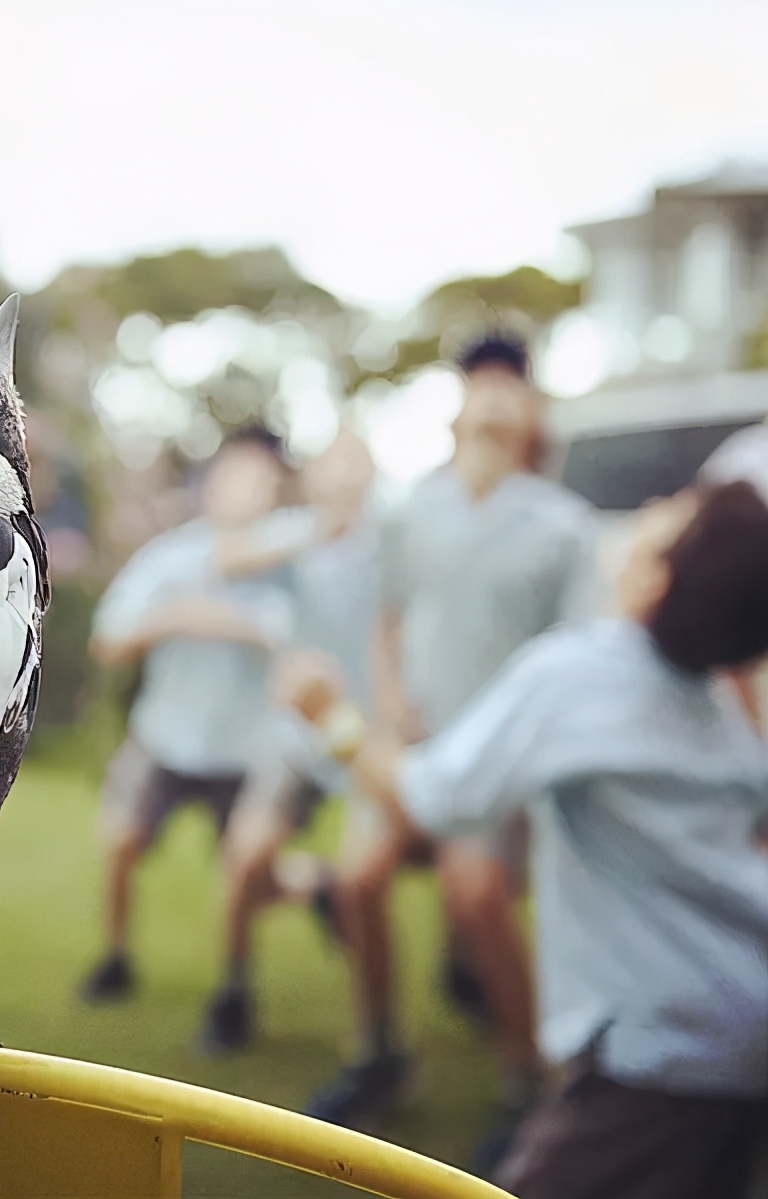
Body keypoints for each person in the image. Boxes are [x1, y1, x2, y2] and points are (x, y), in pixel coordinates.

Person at [323, 477, 768, 1197]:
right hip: (744, 1025)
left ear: (659, 577)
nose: (649, 506)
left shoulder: (579, 675)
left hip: (662, 1052)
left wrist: (332, 719)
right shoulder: (716, 698)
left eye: (668, 515)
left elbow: (432, 800)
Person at [308, 333, 596, 1168]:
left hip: (495, 761)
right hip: (410, 747)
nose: (496, 399)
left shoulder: (562, 524)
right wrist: (389, 701)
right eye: (483, 384)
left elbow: (573, 655)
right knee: (357, 878)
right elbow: (387, 619)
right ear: (459, 405)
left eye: (513, 385)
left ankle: (526, 1077)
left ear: (533, 409)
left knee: (475, 892)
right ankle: (379, 1054)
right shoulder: (410, 510)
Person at [78, 429, 296, 1001]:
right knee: (121, 841)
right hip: (164, 737)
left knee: (245, 872)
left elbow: (294, 638)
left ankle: (234, 987)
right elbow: (109, 639)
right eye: (237, 477)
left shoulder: (290, 562)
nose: (248, 492)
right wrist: (174, 616)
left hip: (247, 749)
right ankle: (116, 958)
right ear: (212, 484)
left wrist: (221, 619)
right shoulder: (169, 557)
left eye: (262, 482)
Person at [198, 431, 378, 1052]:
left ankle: (373, 1033)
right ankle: (232, 993)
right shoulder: (298, 535)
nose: (345, 482)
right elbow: (225, 562)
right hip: (299, 734)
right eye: (334, 470)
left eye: (357, 470)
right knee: (246, 856)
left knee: (365, 878)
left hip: (369, 736)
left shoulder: (393, 542)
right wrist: (313, 532)